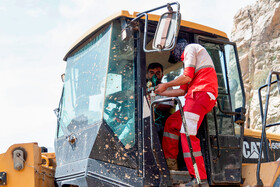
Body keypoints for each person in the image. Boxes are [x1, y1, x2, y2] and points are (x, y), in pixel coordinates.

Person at [155, 38, 218, 186]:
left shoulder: (191, 48)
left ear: (177, 47)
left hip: (200, 94)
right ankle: (171, 165)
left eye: (173, 51)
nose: (175, 55)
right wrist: (159, 92)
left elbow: (187, 76)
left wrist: (166, 84)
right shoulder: (194, 61)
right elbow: (182, 90)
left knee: (187, 134)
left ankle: (199, 178)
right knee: (171, 123)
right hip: (196, 96)